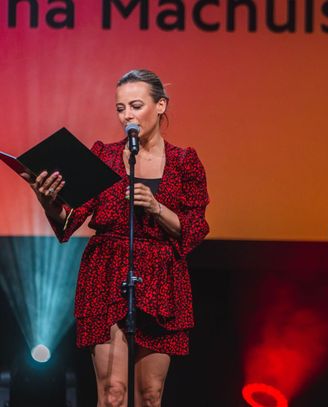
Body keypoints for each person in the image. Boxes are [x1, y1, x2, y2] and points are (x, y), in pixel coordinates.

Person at [23, 69, 209, 407]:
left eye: (136, 106)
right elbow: (71, 219)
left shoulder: (185, 162)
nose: (127, 116)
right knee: (113, 393)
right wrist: (47, 201)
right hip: (107, 273)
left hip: (162, 277)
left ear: (161, 105)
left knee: (150, 395)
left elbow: (195, 228)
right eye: (120, 108)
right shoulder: (103, 156)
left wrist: (156, 207)